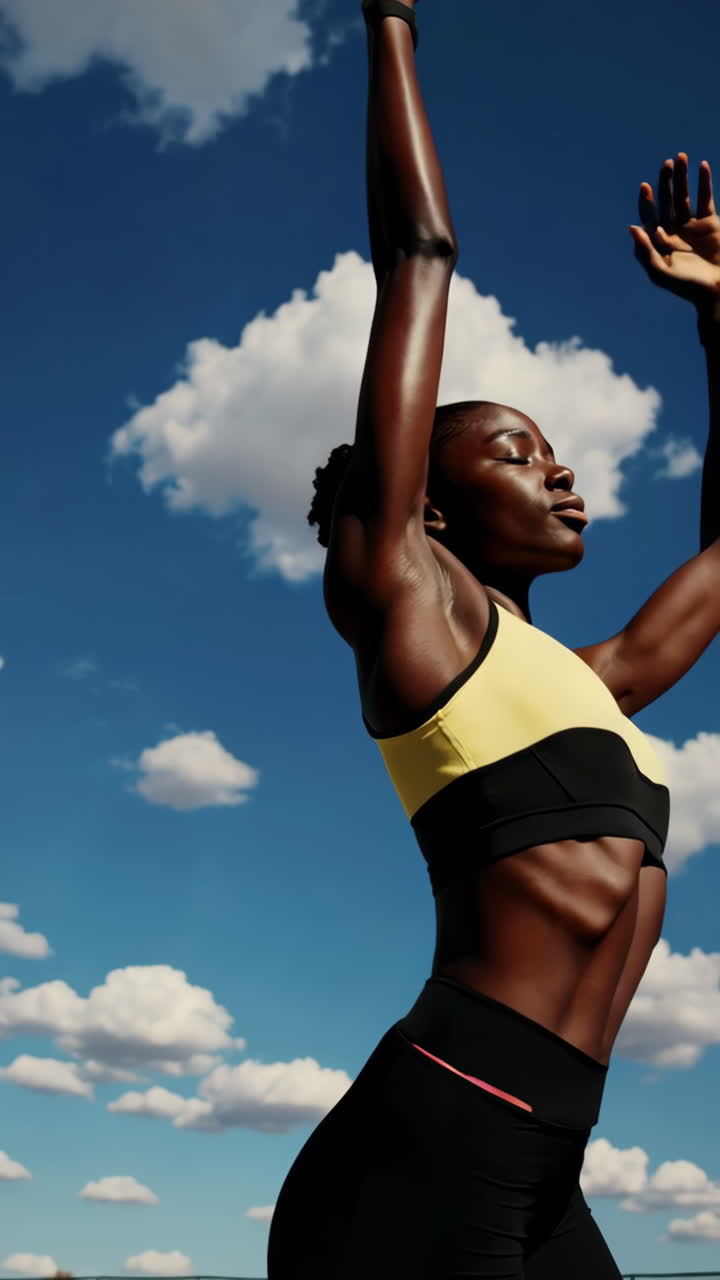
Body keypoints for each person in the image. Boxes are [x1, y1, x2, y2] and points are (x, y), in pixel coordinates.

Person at [267, 2, 720, 1276]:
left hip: (544, 1156)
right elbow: (420, 253)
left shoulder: (588, 681)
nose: (560, 471)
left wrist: (717, 328)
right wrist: (391, 21)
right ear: (427, 506)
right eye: (518, 453)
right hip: (432, 1146)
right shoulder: (406, 606)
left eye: (558, 452)